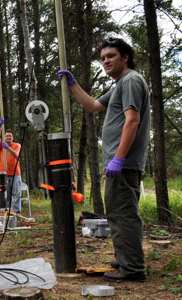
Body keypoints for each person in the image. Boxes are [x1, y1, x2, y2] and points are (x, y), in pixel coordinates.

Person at [58, 37, 150, 282]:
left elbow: (132, 120)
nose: (106, 61)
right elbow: (94, 105)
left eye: (111, 56)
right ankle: (125, 259)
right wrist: (72, 84)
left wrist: (118, 159)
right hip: (120, 163)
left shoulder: (130, 81)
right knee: (118, 213)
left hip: (124, 163)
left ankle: (132, 269)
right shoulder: (120, 85)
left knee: (123, 214)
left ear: (125, 57)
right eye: (102, 59)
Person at [0, 118, 22, 213]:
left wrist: (8, 148)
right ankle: (7, 212)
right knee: (6, 194)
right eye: (7, 136)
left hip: (15, 173)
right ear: (4, 137)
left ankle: (16, 213)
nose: (8, 137)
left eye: (10, 136)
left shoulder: (17, 145)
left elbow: (16, 155)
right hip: (4, 174)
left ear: (13, 138)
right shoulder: (1, 145)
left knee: (16, 194)